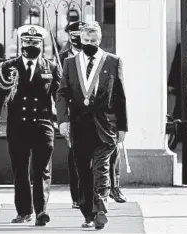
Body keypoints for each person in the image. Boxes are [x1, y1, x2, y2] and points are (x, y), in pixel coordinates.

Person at [56, 21, 128, 230]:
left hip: (105, 127)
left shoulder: (112, 61)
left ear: (100, 40)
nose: (89, 43)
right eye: (86, 40)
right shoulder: (70, 62)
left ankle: (101, 209)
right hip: (79, 126)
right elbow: (62, 93)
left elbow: (120, 96)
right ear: (80, 40)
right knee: (83, 173)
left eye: (93, 40)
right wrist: (62, 120)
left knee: (101, 168)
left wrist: (122, 127)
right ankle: (88, 213)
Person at [0, 25, 61, 226]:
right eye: (28, 42)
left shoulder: (51, 68)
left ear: (41, 44)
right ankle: (23, 211)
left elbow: (60, 96)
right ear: (22, 44)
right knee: (20, 170)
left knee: (41, 170)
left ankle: (41, 211)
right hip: (17, 126)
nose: (32, 45)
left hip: (43, 125)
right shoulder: (8, 67)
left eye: (36, 42)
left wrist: (64, 120)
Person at [59, 20, 86, 209]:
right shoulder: (63, 58)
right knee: (75, 154)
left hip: (93, 111)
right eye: (74, 35)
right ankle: (77, 196)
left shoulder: (94, 54)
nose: (77, 39)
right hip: (73, 110)